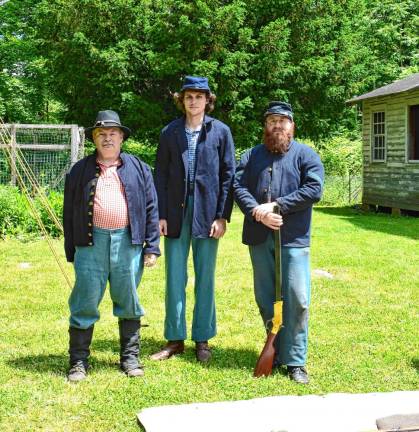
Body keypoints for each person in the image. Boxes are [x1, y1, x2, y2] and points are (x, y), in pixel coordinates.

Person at [63, 110, 160, 382]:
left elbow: (151, 208)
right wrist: (72, 249)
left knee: (128, 299)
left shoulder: (140, 168)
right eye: (101, 134)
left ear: (122, 138)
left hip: (128, 243)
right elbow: (68, 212)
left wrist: (152, 246)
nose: (107, 139)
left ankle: (130, 359)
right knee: (84, 301)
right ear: (94, 139)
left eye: (113, 134)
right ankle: (78, 362)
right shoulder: (79, 170)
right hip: (90, 245)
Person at [234, 101, 324, 384]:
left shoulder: (306, 155)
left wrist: (277, 206)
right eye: (272, 120)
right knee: (266, 297)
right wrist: (257, 211)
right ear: (266, 125)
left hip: (293, 238)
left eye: (283, 121)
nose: (277, 125)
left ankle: (295, 360)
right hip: (259, 236)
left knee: (297, 297)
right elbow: (237, 186)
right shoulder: (251, 156)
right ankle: (275, 346)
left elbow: (314, 189)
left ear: (292, 126)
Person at [151, 76, 235, 363]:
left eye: (199, 96)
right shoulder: (170, 132)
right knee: (175, 276)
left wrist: (222, 216)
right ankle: (175, 339)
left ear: (207, 100)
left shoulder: (221, 132)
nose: (194, 101)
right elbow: (159, 175)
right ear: (182, 100)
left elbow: (228, 177)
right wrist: (160, 214)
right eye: (189, 96)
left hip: (207, 213)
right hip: (175, 212)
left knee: (205, 277)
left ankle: (202, 338)